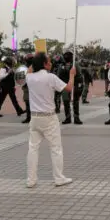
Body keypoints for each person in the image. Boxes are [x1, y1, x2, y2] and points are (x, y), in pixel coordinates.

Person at [26, 52, 75, 188]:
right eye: (48, 61)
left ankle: (31, 180)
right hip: (48, 118)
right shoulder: (50, 78)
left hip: (34, 117)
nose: (51, 63)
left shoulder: (29, 78)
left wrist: (36, 58)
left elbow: (30, 69)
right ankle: (59, 178)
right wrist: (72, 75)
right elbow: (69, 88)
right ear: (44, 64)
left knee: (33, 148)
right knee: (55, 148)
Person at [57, 50, 84, 125]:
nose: (67, 56)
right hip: (65, 84)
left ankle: (76, 117)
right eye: (66, 55)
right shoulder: (61, 65)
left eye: (69, 55)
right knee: (66, 101)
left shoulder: (76, 64)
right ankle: (68, 117)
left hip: (75, 84)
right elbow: (59, 76)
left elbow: (79, 75)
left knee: (75, 101)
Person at [21, 54, 35, 124]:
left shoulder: (36, 67)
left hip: (33, 86)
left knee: (31, 103)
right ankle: (29, 117)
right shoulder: (24, 67)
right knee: (27, 102)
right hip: (27, 86)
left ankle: (30, 117)